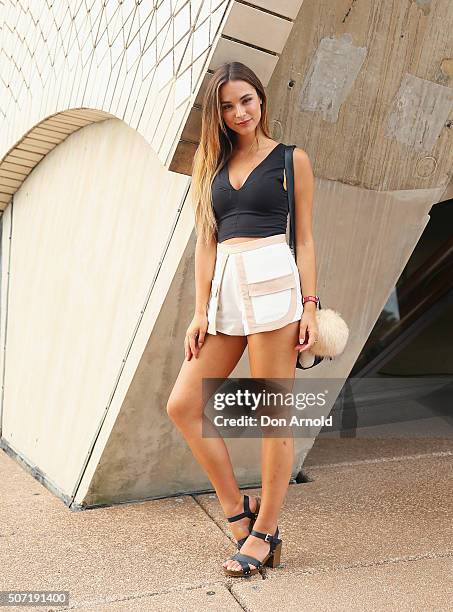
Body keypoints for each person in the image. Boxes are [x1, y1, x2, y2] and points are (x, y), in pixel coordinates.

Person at [166, 61, 318, 577]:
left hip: (275, 283)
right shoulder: (210, 167)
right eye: (228, 106)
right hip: (228, 289)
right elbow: (206, 242)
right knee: (185, 404)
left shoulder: (290, 159)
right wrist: (199, 312)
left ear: (261, 99)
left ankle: (267, 531)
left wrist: (311, 305)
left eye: (246, 100)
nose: (239, 113)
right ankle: (238, 512)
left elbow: (305, 238)